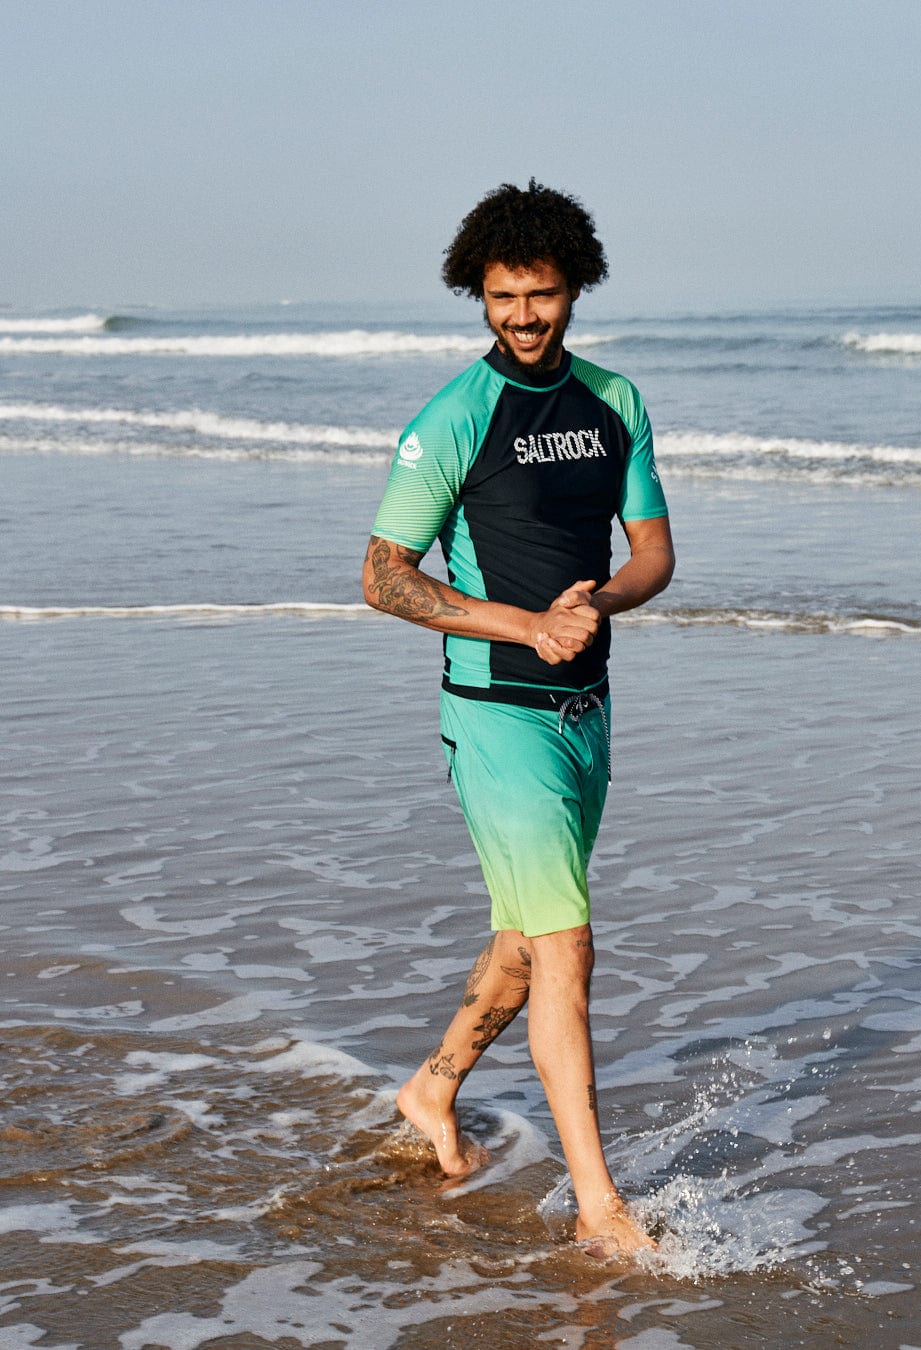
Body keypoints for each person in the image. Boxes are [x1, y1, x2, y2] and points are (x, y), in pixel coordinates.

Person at [362, 180, 674, 1257]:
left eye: (540, 295)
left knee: (523, 941)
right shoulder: (452, 420)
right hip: (496, 714)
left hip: (586, 711)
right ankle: (601, 1207)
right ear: (477, 294)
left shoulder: (614, 402)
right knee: (569, 945)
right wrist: (522, 624)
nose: (523, 317)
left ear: (574, 288)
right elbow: (382, 576)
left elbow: (652, 553)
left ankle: (431, 1090)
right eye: (502, 297)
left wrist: (601, 601)